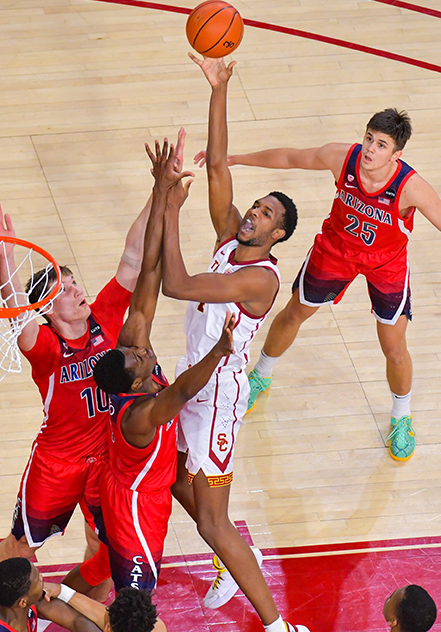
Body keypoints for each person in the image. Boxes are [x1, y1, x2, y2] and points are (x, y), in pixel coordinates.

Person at [202, 108, 441, 462]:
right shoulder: (342, 157)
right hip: (335, 251)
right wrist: (238, 159)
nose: (369, 149)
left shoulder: (411, 188)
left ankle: (401, 416)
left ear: (396, 155)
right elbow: (292, 158)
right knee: (293, 314)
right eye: (369, 139)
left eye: (381, 145)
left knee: (394, 348)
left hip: (386, 265)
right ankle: (261, 376)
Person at [160, 53, 307, 631]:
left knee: (212, 524)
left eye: (266, 214)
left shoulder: (258, 278)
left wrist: (168, 211)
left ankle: (277, 626)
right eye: (256, 205)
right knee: (175, 481)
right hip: (192, 370)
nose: (253, 212)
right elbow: (218, 163)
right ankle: (234, 557)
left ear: (278, 236)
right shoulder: (229, 236)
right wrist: (218, 88)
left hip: (219, 394)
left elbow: (176, 284)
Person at [0, 188, 159, 610]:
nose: (77, 292)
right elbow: (19, 314)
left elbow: (132, 254)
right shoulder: (47, 350)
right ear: (49, 311)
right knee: (22, 547)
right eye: (66, 291)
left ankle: (84, 612)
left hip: (104, 459)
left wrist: (157, 192)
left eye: (75, 284)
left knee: (107, 551)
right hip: (57, 464)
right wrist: (4, 256)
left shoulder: (104, 317)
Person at [89, 134, 240, 594]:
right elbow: (179, 393)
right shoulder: (139, 416)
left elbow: (150, 269)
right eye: (140, 359)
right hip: (136, 500)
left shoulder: (129, 347)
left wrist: (163, 194)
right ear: (133, 384)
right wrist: (218, 351)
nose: (146, 351)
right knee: (137, 599)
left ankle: (57, 597)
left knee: (105, 573)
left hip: (142, 479)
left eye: (136, 349)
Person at [0, 557, 100, 632]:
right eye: (38, 581)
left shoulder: (16, 598)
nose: (43, 578)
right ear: (23, 602)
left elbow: (76, 621)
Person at [44, 577, 167, 632]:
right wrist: (62, 591)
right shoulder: (158, 628)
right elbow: (98, 613)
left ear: (107, 629)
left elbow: (77, 621)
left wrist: (33, 589)